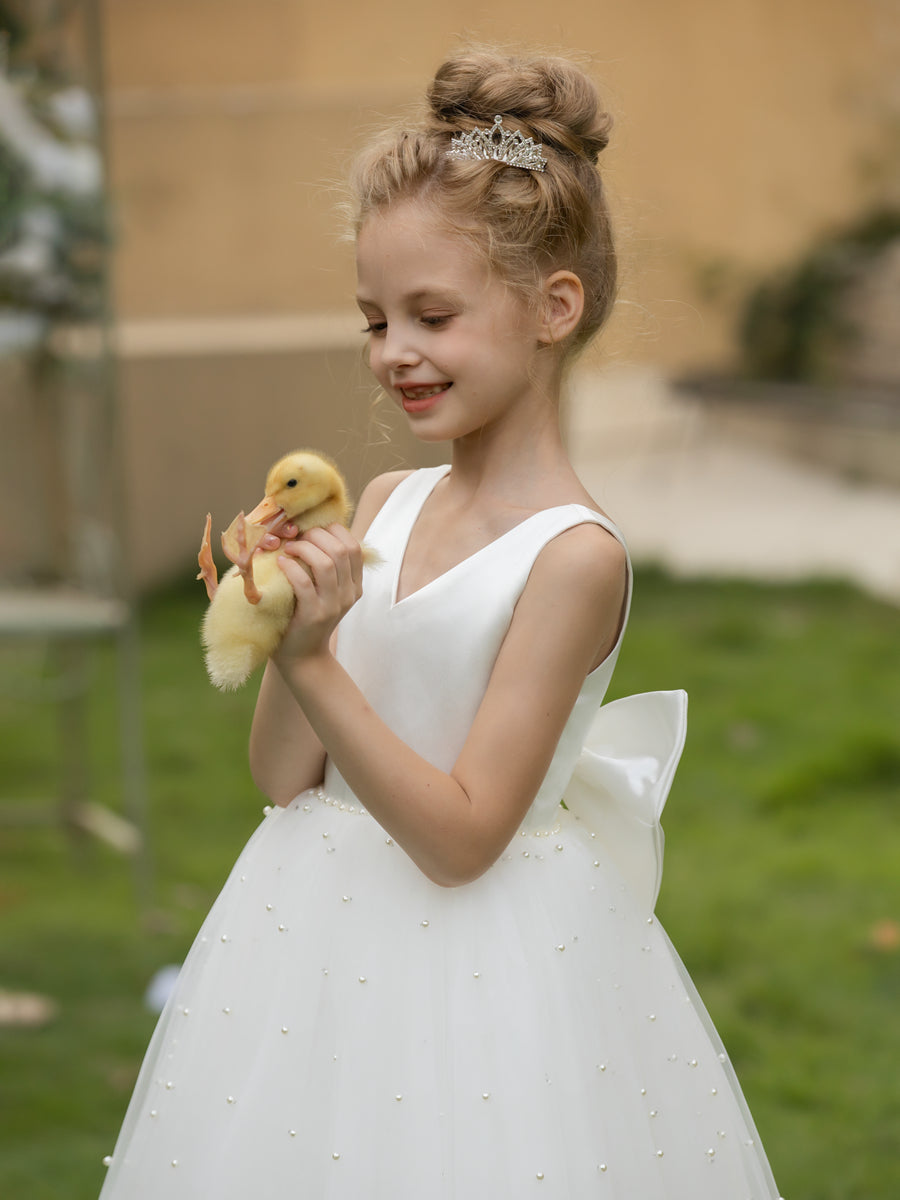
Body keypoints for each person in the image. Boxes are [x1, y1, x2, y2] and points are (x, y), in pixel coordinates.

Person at [99, 48, 782, 1199]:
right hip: (311, 938)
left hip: (484, 964)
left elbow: (463, 841)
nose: (393, 353)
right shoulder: (385, 503)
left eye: (431, 315)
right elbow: (282, 780)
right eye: (373, 320)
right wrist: (283, 624)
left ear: (551, 307)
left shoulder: (573, 557)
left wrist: (315, 660)